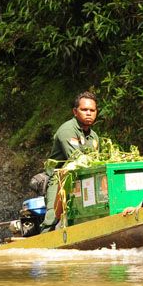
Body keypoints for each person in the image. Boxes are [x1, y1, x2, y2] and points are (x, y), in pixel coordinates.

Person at [40, 91, 100, 232]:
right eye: (84, 110)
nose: (88, 113)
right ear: (75, 111)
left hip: (83, 179)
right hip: (60, 178)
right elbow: (76, 158)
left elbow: (96, 161)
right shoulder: (67, 130)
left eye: (92, 110)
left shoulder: (94, 136)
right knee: (52, 219)